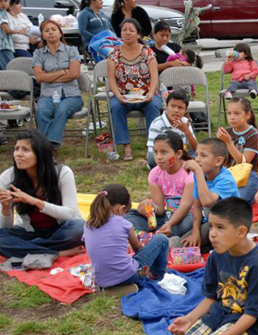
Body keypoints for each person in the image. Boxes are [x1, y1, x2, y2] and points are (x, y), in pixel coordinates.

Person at [168, 197, 258, 335]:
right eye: (211, 226)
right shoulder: (216, 255)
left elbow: (252, 314)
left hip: (249, 321)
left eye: (220, 227)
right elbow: (211, 297)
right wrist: (189, 318)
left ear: (241, 232)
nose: (212, 234)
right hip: (221, 313)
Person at [0, 131, 84, 259]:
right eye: (16, 149)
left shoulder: (62, 173)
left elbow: (71, 214)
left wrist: (35, 201)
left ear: (40, 154)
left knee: (80, 228)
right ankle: (56, 253)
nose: (18, 154)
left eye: (25, 150)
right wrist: (5, 208)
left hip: (61, 230)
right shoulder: (9, 176)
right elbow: (6, 228)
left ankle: (28, 248)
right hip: (30, 232)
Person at [84, 184, 169, 291]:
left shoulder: (88, 224)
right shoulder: (123, 223)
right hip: (128, 276)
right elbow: (138, 249)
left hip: (101, 280)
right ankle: (157, 276)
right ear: (122, 209)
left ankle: (114, 287)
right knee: (161, 239)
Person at [108, 18, 162, 161]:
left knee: (154, 105)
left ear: (138, 34)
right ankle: (126, 146)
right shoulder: (114, 54)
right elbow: (112, 80)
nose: (127, 33)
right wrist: (118, 95)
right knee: (115, 106)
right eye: (124, 30)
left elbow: (154, 76)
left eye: (131, 30)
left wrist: (151, 93)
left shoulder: (147, 52)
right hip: (124, 95)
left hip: (146, 94)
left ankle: (153, 145)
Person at [174, 138, 240, 254]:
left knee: (213, 208)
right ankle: (211, 246)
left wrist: (198, 172)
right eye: (197, 155)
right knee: (180, 246)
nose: (197, 159)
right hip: (210, 223)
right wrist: (195, 232)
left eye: (203, 156)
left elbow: (207, 202)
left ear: (218, 161)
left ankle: (227, 244)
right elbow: (197, 207)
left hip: (230, 223)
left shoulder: (226, 180)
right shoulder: (199, 176)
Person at [125, 131, 195, 238]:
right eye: (156, 152)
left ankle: (150, 235)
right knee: (128, 216)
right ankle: (157, 235)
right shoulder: (155, 173)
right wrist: (150, 207)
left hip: (186, 215)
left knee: (189, 222)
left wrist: (170, 224)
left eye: (164, 152)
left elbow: (185, 206)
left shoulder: (189, 172)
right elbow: (160, 209)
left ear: (178, 154)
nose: (158, 157)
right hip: (166, 215)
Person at [32, 20, 84, 150]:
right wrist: (62, 72)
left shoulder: (72, 50)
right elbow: (39, 77)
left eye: (53, 29)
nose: (50, 33)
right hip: (48, 95)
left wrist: (48, 76)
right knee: (42, 110)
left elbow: (74, 74)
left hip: (71, 95)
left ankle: (49, 145)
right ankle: (45, 147)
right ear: (42, 35)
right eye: (46, 30)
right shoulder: (38, 54)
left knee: (62, 109)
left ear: (60, 33)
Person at [217, 98, 258, 204]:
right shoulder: (227, 132)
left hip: (248, 175)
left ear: (247, 115)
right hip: (229, 172)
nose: (232, 117)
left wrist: (228, 143)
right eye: (229, 113)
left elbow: (244, 162)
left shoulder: (253, 135)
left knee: (236, 204)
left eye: (237, 113)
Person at [145, 89, 198, 169]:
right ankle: (177, 166)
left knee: (199, 155)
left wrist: (186, 131)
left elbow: (196, 148)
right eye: (172, 106)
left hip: (180, 154)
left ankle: (178, 166)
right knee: (152, 157)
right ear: (166, 106)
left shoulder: (185, 122)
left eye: (180, 108)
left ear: (185, 110)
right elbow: (152, 149)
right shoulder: (157, 123)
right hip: (163, 155)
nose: (176, 110)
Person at [0, 0, 16, 69]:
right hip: (3, 46)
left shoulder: (5, 13)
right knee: (10, 70)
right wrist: (20, 31)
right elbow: (6, 29)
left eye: (6, 1)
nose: (3, 3)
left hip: (5, 46)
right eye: (0, 1)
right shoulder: (2, 14)